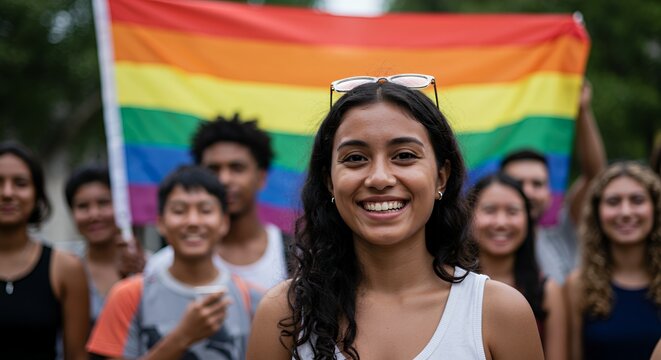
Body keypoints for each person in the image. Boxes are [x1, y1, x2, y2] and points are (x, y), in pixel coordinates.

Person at [247, 76, 543, 359]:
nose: (379, 178)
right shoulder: (286, 313)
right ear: (329, 182)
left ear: (441, 176)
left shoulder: (498, 312)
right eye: (355, 158)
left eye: (403, 155)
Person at [87, 165, 262, 359]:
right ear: (160, 223)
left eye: (205, 210)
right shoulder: (128, 296)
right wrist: (183, 337)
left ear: (224, 222)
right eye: (179, 211)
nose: (193, 221)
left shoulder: (252, 300)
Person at [146, 114, 288, 290]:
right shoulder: (161, 267)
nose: (225, 179)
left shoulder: (295, 256)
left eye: (237, 168)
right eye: (213, 169)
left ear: (261, 177)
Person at [501, 81, 606, 284]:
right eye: (518, 183)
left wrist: (582, 111)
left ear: (550, 194)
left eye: (537, 184)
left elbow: (595, 177)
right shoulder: (474, 246)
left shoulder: (562, 232)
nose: (528, 191)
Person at [0, 141, 89, 359]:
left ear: (38, 195)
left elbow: (76, 356)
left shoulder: (66, 269)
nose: (8, 193)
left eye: (20, 183)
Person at [566, 162, 661, 360]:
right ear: (597, 212)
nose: (625, 212)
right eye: (613, 202)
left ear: (655, 208)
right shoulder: (578, 285)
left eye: (637, 200)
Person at [468, 173, 567, 360]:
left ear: (528, 219)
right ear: (469, 215)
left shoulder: (547, 291)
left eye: (512, 212)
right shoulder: (447, 285)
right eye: (489, 210)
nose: (501, 223)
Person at [64, 165, 145, 324]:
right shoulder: (62, 269)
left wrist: (141, 278)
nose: (94, 215)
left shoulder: (150, 268)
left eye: (103, 203)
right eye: (83, 206)